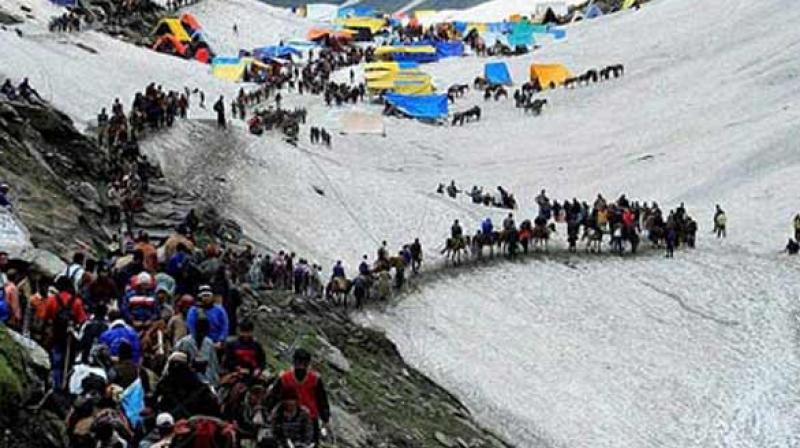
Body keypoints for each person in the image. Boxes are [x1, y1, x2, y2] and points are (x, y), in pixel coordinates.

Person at [268, 349, 330, 443]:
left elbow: (321, 399)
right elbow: (273, 397)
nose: (301, 366)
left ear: (308, 364)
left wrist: (325, 418)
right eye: (299, 362)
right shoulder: (285, 378)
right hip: (288, 417)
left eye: (304, 363)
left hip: (310, 417)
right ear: (294, 362)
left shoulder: (315, 379)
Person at [40, 276, 88, 387]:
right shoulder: (76, 302)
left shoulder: (52, 300)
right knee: (69, 362)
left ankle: (56, 385)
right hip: (70, 337)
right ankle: (67, 384)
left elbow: (44, 318)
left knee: (56, 362)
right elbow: (82, 320)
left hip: (55, 335)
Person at [174, 315, 219, 386]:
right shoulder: (184, 343)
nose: (201, 333)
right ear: (195, 329)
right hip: (188, 381)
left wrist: (215, 384)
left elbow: (213, 365)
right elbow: (177, 366)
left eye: (204, 330)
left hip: (207, 380)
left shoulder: (209, 343)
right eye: (199, 330)